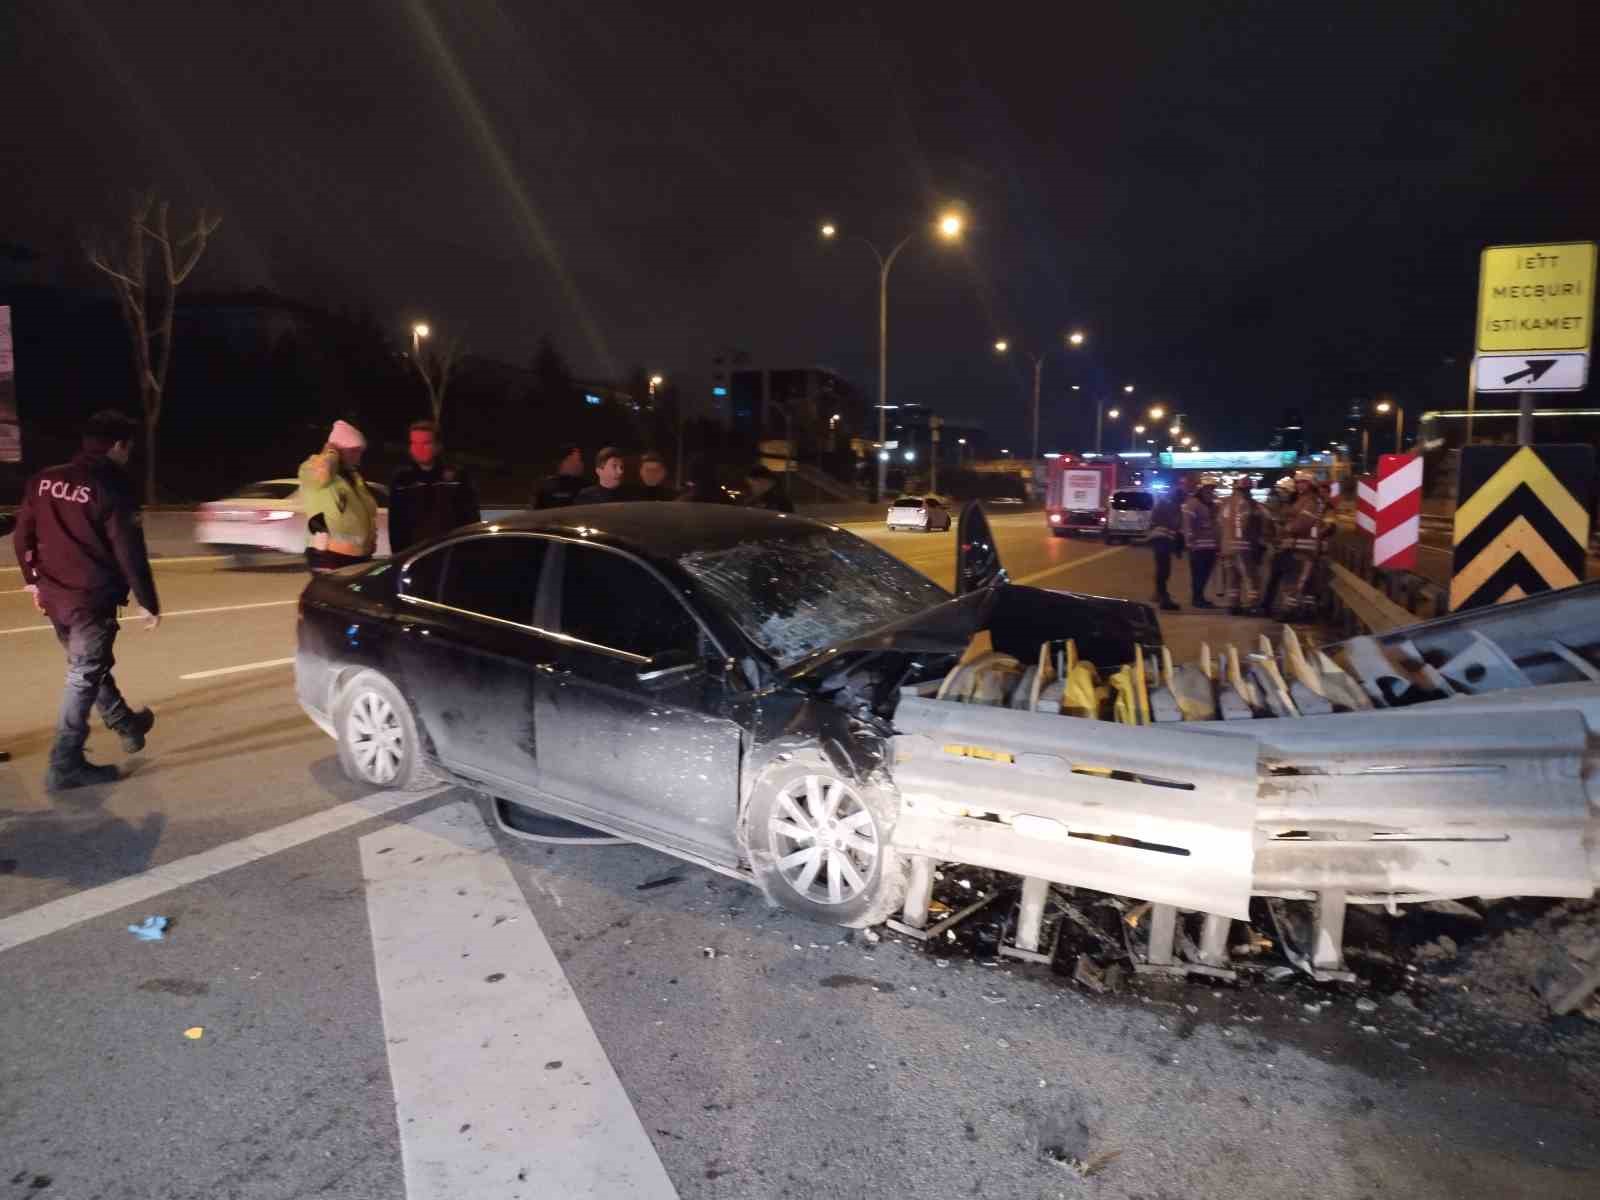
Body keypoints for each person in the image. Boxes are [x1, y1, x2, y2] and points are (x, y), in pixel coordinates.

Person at [13, 410, 160, 791]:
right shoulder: (112, 487)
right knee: (84, 673)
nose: (129, 454)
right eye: (128, 447)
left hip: (52, 596)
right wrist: (147, 600)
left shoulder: (45, 478)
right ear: (117, 446)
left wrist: (31, 581)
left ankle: (125, 722)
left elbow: (21, 534)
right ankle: (66, 763)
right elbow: (129, 551)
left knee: (88, 665)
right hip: (90, 599)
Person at [299, 419, 379, 573]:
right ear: (339, 449)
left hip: (357, 556)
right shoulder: (312, 469)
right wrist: (331, 451)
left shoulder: (354, 478)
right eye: (354, 451)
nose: (359, 457)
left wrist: (370, 542)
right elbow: (323, 471)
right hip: (329, 555)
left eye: (360, 452)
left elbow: (367, 513)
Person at [389, 420, 481, 553]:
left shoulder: (457, 477)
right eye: (414, 443)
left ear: (438, 446)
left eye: (426, 443)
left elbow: (471, 519)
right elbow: (396, 526)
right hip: (415, 556)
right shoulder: (402, 480)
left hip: (451, 556)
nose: (418, 449)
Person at [1274, 476, 1333, 617]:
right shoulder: (1304, 500)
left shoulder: (1311, 501)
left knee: (1295, 581)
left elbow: (1302, 522)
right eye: (1298, 482)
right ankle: (1308, 610)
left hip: (1303, 548)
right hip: (1302, 547)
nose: (1299, 485)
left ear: (1310, 484)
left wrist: (1286, 528)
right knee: (1307, 584)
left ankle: (1288, 610)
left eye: (1303, 482)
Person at [1217, 484, 1263, 614]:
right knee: (1250, 577)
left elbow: (1220, 524)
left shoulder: (1225, 503)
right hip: (1243, 547)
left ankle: (1233, 605)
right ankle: (1253, 605)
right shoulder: (1247, 504)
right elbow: (1248, 525)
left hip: (1227, 547)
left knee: (1233, 577)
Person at [1146, 482, 1184, 612]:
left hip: (1161, 540)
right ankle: (1162, 597)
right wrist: (1178, 546)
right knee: (1163, 570)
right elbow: (1174, 525)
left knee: (1162, 569)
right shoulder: (1171, 506)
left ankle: (1159, 594)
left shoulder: (1166, 503)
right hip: (1162, 540)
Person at [1181, 481, 1219, 609]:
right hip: (1197, 547)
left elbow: (1216, 525)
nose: (1210, 493)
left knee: (1205, 575)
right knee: (1198, 574)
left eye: (1211, 490)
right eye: (1208, 490)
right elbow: (1187, 523)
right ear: (1201, 491)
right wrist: (1189, 541)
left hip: (1211, 547)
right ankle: (1197, 599)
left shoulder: (1212, 506)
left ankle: (1200, 597)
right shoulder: (1193, 504)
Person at [531, 444, 589, 508]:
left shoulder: (587, 487)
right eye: (578, 460)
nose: (581, 464)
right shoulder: (544, 486)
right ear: (567, 461)